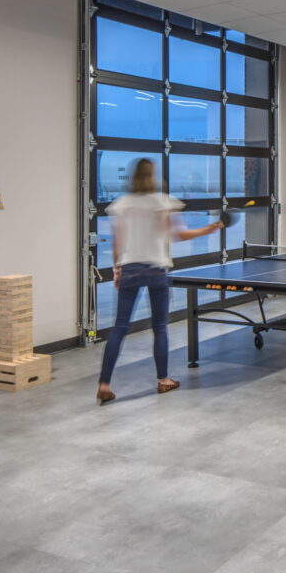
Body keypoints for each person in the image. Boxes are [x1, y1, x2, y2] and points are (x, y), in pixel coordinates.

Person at [96, 158, 223, 405]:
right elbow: (179, 235)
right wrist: (211, 228)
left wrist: (117, 270)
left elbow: (117, 242)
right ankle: (163, 380)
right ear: (152, 175)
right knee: (160, 328)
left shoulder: (122, 204)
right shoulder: (162, 201)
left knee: (119, 328)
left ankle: (104, 384)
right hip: (156, 271)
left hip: (130, 269)